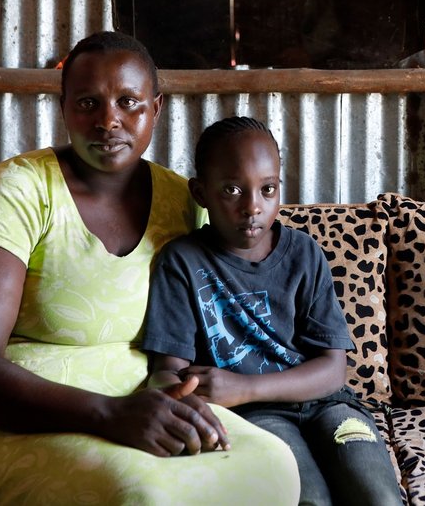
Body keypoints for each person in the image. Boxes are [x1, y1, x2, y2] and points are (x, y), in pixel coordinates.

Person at [0, 33, 300, 506]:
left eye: (128, 102)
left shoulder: (184, 202)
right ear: (64, 108)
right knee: (136, 495)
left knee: (273, 466)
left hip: (145, 410)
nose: (108, 121)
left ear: (156, 109)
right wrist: (110, 415)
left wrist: (174, 399)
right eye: (88, 103)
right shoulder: (19, 191)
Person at [142, 116, 402, 506]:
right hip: (255, 417)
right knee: (308, 499)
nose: (253, 207)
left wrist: (244, 386)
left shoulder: (303, 253)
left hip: (329, 404)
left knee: (378, 497)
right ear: (200, 192)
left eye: (268, 189)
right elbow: (168, 371)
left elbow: (333, 370)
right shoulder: (182, 262)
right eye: (232, 190)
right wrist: (183, 400)